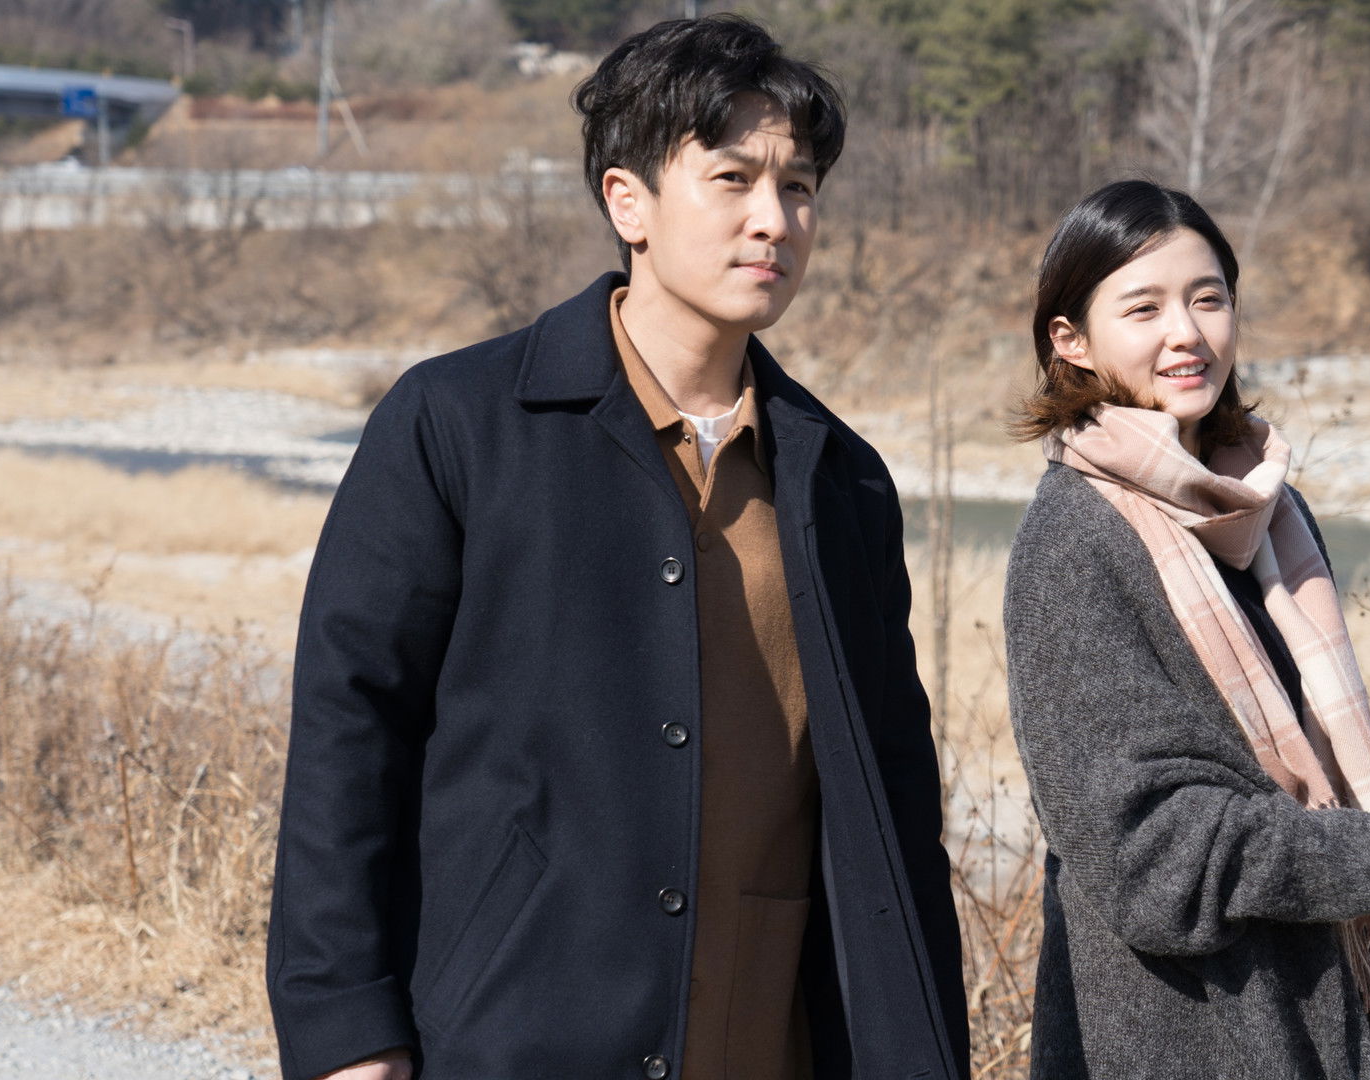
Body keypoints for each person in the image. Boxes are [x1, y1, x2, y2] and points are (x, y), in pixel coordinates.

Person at [265, 16, 968, 1080]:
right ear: (626, 201)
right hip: (506, 1036)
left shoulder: (841, 479)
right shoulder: (458, 422)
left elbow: (894, 806)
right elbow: (348, 731)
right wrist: (346, 1028)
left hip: (767, 1041)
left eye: (799, 187)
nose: (774, 219)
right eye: (732, 179)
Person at [1002, 179, 1370, 1079]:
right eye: (1144, 308)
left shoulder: (1262, 514)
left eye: (1208, 298)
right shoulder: (1073, 543)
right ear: (1071, 340)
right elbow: (1157, 859)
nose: (1187, 333)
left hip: (1326, 1020)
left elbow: (1303, 759)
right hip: (1187, 1040)